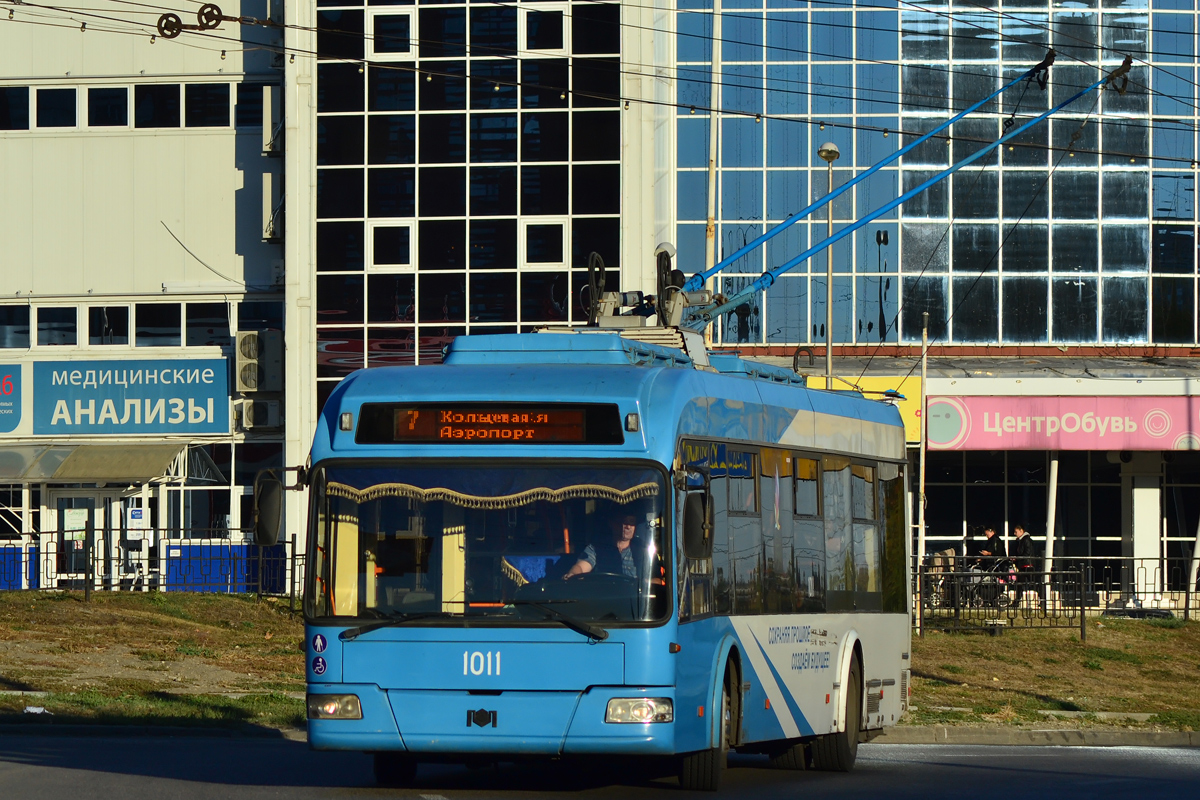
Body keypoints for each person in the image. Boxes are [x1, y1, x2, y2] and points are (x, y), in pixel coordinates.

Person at [563, 513, 645, 580]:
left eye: (631, 522)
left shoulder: (642, 550)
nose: (628, 527)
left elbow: (655, 579)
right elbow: (581, 567)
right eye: (622, 522)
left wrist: (645, 583)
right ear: (611, 523)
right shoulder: (597, 548)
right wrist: (573, 574)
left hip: (634, 598)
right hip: (604, 596)